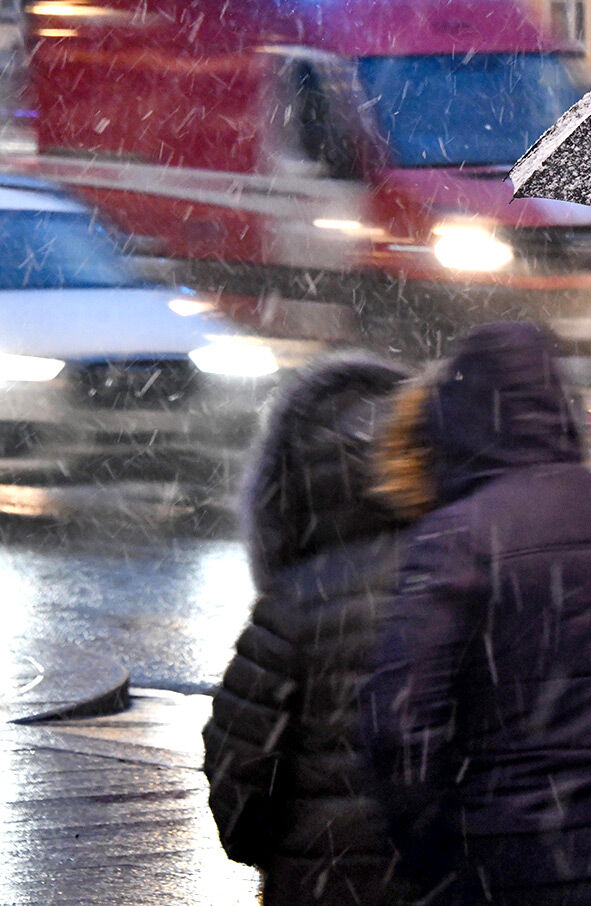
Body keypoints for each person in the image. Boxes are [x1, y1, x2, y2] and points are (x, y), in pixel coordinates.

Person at [362, 321, 591, 906]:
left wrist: (429, 847)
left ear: (454, 421)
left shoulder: (456, 537)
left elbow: (400, 726)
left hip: (499, 862)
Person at [203, 354, 419, 906]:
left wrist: (270, 849)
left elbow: (241, 763)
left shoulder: (295, 605)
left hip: (319, 882)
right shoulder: (462, 581)